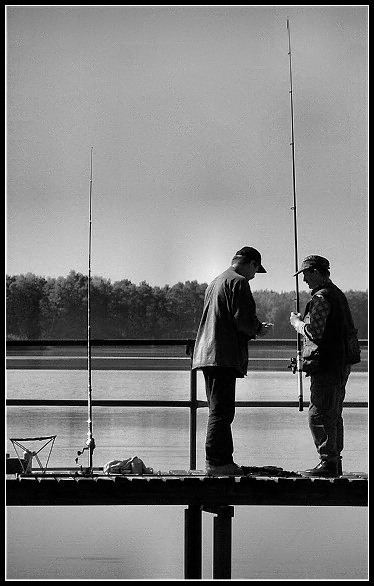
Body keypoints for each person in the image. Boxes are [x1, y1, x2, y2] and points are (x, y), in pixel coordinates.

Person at [192, 246, 273, 476]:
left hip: (208, 353)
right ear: (251, 264)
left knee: (218, 409)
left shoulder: (216, 281)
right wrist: (259, 329)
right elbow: (242, 320)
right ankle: (218, 463)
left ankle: (220, 461)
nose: (254, 276)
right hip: (222, 355)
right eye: (256, 270)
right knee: (222, 411)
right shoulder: (239, 282)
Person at [290, 255, 359, 478]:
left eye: (307, 274)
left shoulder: (322, 297)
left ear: (318, 272)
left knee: (319, 414)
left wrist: (298, 324)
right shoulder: (337, 294)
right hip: (340, 363)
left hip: (327, 365)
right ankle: (333, 462)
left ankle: (328, 462)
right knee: (333, 412)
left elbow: (315, 331)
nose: (304, 280)